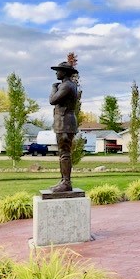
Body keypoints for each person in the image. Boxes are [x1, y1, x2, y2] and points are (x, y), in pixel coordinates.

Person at [49, 61, 79, 192]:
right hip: (64, 122)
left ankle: (66, 182)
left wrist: (53, 88)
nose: (56, 73)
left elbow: (52, 100)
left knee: (65, 153)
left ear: (65, 72)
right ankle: (64, 181)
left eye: (58, 70)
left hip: (65, 123)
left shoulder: (66, 86)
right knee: (63, 153)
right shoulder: (69, 85)